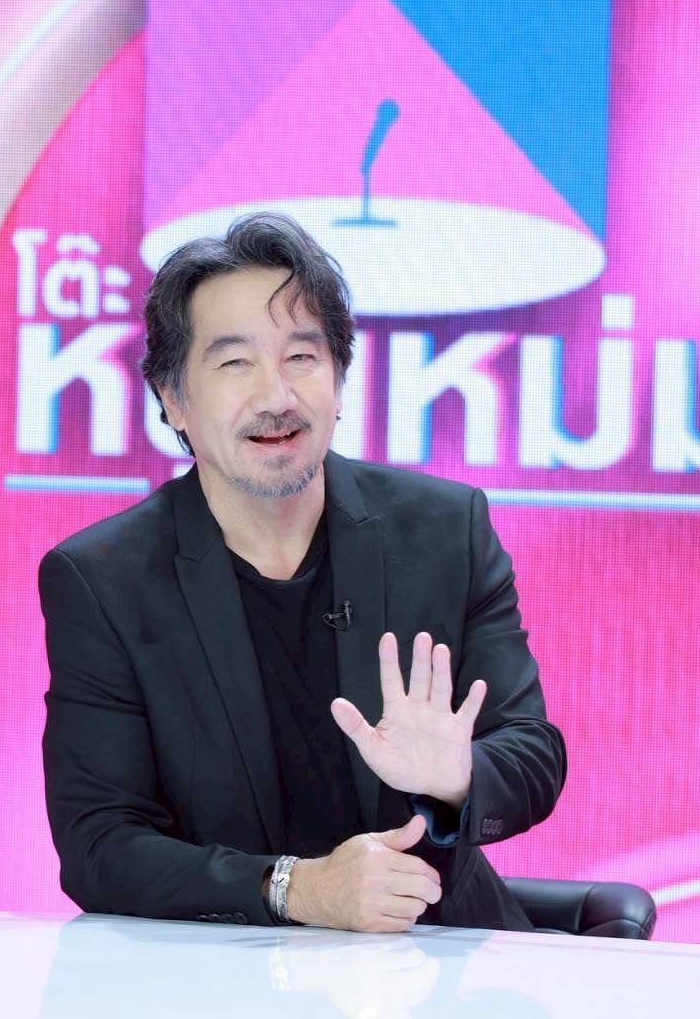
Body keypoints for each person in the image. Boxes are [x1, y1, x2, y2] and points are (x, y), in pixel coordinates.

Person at [39, 212, 566, 932]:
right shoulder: (103, 580)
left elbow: (532, 754)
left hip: (444, 953)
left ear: (340, 382)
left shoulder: (447, 530)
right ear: (173, 399)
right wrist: (295, 888)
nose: (276, 396)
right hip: (216, 972)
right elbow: (99, 845)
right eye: (234, 363)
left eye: (301, 357)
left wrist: (455, 777)